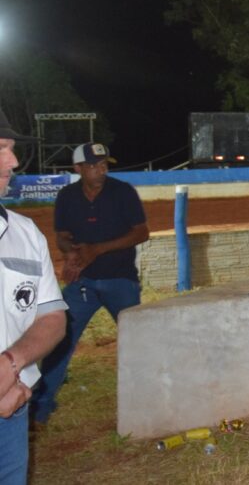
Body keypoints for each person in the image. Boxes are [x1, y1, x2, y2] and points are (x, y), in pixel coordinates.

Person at [31, 142, 149, 426]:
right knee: (58, 341)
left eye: (104, 163)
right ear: (78, 169)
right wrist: (70, 253)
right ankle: (40, 408)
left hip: (121, 282)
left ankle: (146, 404)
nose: (101, 169)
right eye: (94, 165)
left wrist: (97, 249)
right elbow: (62, 234)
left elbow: (141, 233)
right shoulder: (68, 196)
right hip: (82, 283)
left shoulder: (122, 192)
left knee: (139, 345)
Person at [0, 108, 67, 483]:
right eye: (0, 148)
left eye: (10, 148)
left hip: (12, 409)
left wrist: (13, 363)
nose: (12, 160)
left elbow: (52, 318)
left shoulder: (25, 233)